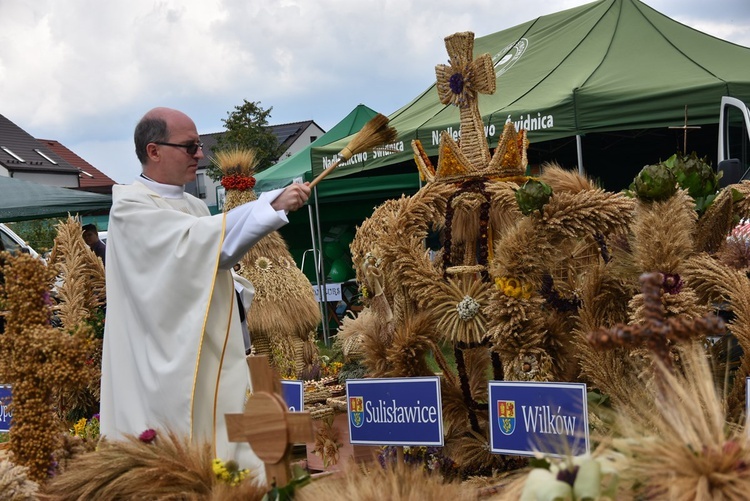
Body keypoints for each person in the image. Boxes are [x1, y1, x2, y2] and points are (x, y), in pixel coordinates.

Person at [99, 107, 310, 479]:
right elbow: (195, 244)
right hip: (163, 359)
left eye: (199, 145)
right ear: (154, 151)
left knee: (230, 456)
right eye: (190, 146)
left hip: (211, 350)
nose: (200, 154)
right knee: (180, 459)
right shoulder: (130, 207)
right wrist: (270, 206)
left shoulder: (195, 206)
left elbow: (217, 252)